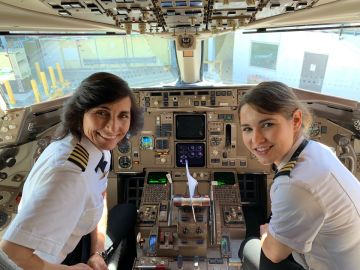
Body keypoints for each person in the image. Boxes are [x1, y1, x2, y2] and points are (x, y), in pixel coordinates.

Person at [0, 72, 143, 270]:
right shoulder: (68, 175)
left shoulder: (96, 146)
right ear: (80, 112)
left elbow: (97, 196)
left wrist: (97, 253)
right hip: (45, 260)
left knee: (128, 210)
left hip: (78, 235)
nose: (112, 128)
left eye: (122, 115)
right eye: (102, 112)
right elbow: (11, 256)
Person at [238, 81, 360, 270]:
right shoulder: (318, 149)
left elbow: (274, 254)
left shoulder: (294, 184)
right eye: (247, 128)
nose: (256, 140)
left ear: (295, 120)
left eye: (267, 124)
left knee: (248, 245)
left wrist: (265, 234)